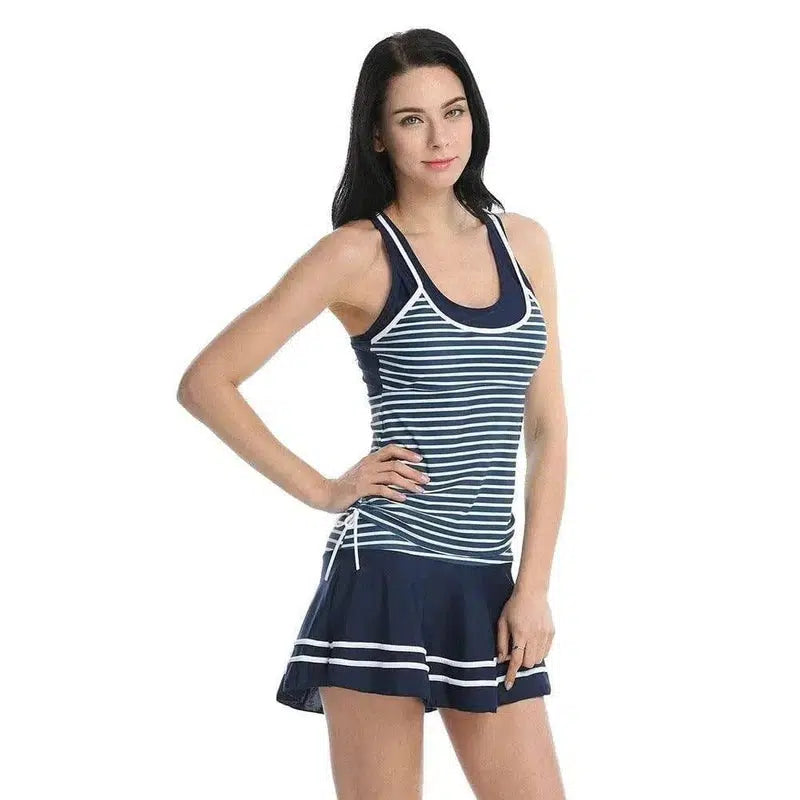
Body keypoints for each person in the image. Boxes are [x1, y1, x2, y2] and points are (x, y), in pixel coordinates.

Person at [178, 27, 568, 800]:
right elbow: (207, 382)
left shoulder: (524, 243)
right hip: (386, 575)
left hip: (489, 587)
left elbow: (548, 429)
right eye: (412, 119)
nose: (440, 138)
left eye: (453, 112)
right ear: (379, 136)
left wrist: (533, 587)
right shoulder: (359, 253)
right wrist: (325, 488)